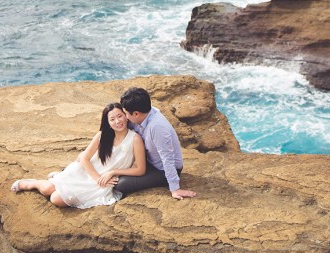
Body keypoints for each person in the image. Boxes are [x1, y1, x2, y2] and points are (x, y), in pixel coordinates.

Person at [10, 102, 146, 208]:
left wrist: (113, 172)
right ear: (108, 123)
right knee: (48, 189)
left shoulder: (135, 139)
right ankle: (31, 183)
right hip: (88, 172)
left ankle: (55, 177)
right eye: (112, 119)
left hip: (104, 181)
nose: (117, 121)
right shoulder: (102, 135)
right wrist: (98, 178)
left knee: (55, 198)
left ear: (126, 116)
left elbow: (140, 169)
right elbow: (85, 159)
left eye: (119, 116)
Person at [115, 87, 197, 200]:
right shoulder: (144, 112)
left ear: (136, 114)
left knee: (120, 184)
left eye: (125, 114)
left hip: (161, 170)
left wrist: (175, 189)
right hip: (149, 161)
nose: (125, 117)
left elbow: (167, 159)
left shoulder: (157, 127)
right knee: (115, 173)